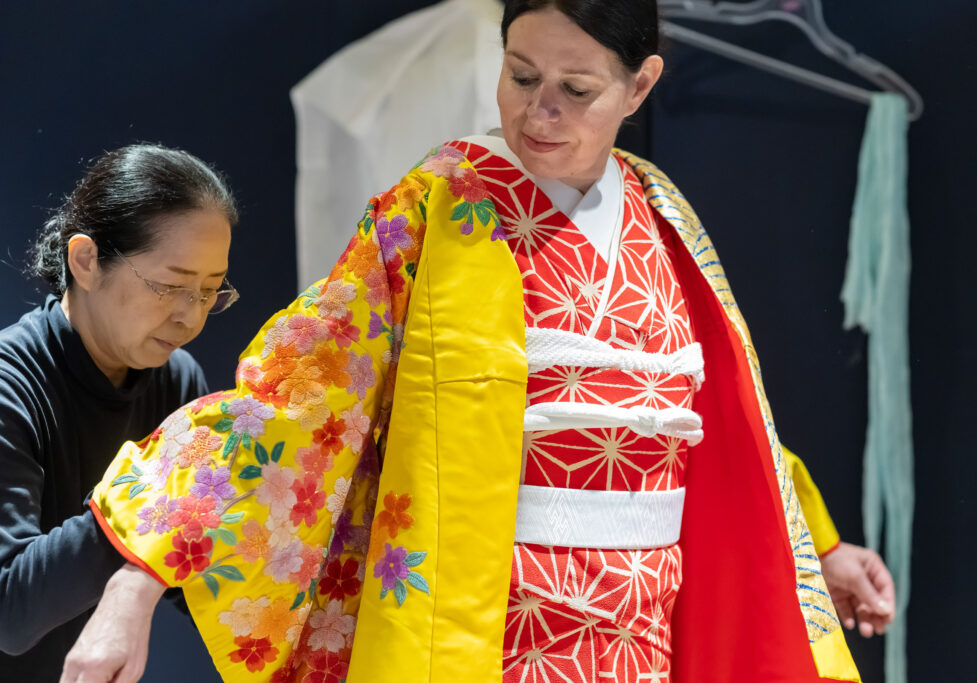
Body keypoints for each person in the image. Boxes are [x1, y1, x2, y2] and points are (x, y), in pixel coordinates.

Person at [65, 2, 889, 681]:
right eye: (521, 76)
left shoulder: (665, 216)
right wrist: (137, 582)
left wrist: (821, 545)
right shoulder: (435, 206)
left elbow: (725, 420)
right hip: (482, 634)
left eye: (576, 88)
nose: (539, 110)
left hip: (647, 633)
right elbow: (296, 397)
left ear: (640, 85)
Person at [0, 144, 239, 681]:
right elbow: (9, 608)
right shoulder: (10, 386)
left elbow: (194, 576)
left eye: (209, 292)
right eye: (169, 286)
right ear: (86, 261)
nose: (189, 318)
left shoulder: (177, 380)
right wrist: (151, 505)